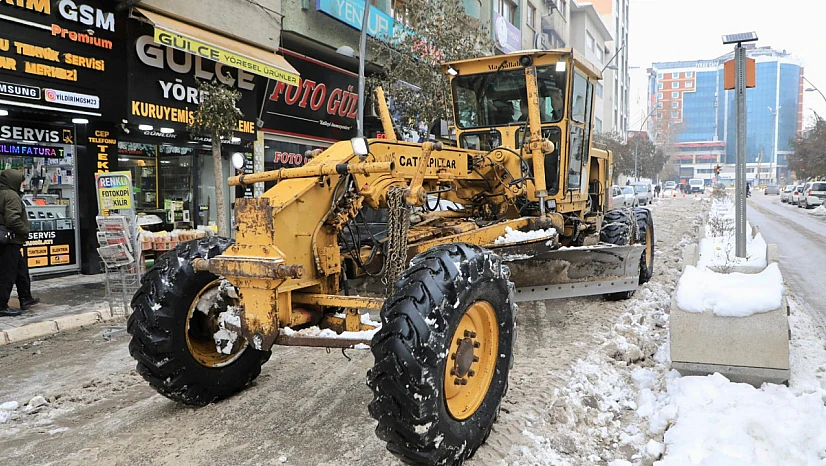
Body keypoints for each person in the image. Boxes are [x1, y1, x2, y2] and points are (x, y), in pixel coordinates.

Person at [0, 169, 39, 316]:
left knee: (20, 270)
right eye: (22, 181)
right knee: (7, 274)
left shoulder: (3, 193)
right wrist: (25, 230)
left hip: (7, 239)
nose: (23, 184)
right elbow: (13, 219)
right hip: (11, 240)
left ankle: (25, 297)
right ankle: (2, 305)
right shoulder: (12, 196)